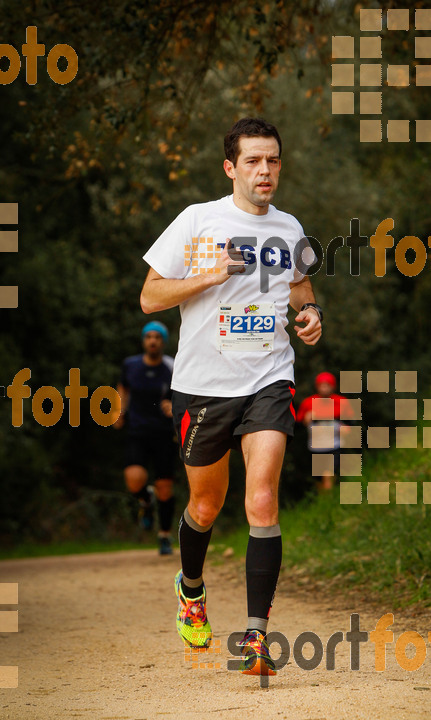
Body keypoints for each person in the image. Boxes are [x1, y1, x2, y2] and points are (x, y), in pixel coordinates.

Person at [140, 117, 322, 676]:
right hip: (203, 387)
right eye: (252, 162)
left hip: (268, 376)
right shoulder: (198, 221)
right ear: (231, 167)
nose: (264, 171)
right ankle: (191, 589)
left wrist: (311, 316)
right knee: (205, 505)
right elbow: (150, 298)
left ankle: (255, 639)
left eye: (272, 161)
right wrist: (207, 276)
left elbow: (301, 288)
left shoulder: (291, 229)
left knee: (262, 500)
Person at [114, 321, 177, 556]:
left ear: (163, 341)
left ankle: (164, 536)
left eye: (157, 337)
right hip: (137, 431)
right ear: (143, 341)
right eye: (149, 337)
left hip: (164, 433)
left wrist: (175, 406)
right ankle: (145, 499)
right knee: (134, 479)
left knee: (165, 487)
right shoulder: (130, 365)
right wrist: (119, 411)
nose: (153, 341)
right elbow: (123, 388)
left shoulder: (172, 366)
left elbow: (184, 392)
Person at [296, 372, 355, 491]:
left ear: (333, 386)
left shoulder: (341, 401)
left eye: (327, 385)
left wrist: (347, 429)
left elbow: (350, 422)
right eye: (321, 385)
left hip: (335, 444)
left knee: (329, 472)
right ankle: (324, 499)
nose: (324, 388)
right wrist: (306, 419)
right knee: (319, 477)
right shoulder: (308, 402)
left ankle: (329, 497)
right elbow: (299, 423)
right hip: (316, 446)